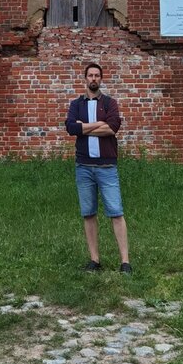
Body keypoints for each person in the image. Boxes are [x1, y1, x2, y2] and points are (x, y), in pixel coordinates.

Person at [65, 61, 132, 273]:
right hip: (84, 166)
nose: (93, 79)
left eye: (97, 76)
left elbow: (113, 128)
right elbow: (70, 127)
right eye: (90, 75)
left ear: (101, 79)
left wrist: (83, 128)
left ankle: (125, 262)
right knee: (88, 213)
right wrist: (97, 126)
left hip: (106, 166)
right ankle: (94, 260)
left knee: (115, 211)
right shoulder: (77, 104)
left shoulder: (110, 103)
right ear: (85, 79)